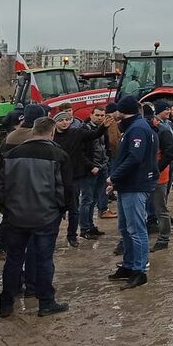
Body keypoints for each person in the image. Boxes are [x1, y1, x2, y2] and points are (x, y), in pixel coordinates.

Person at [0, 117, 69, 318]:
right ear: (52, 132)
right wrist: (61, 211)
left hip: (16, 217)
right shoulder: (58, 155)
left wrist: (8, 210)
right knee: (44, 260)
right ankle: (46, 302)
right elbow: (64, 189)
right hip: (46, 217)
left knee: (13, 259)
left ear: (33, 131)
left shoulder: (10, 155)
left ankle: (6, 304)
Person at [107, 96, 158, 289]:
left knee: (136, 229)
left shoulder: (137, 128)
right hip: (127, 185)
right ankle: (128, 265)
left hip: (135, 185)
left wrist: (113, 177)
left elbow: (134, 158)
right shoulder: (135, 126)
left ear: (122, 110)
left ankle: (139, 270)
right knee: (125, 228)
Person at [0, 102, 48, 261]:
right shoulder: (39, 139)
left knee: (7, 222)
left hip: (11, 190)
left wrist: (1, 194)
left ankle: (2, 249)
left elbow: (0, 169)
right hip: (34, 193)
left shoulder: (10, 138)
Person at [52, 110, 86, 247]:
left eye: (67, 120)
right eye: (61, 120)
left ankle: (72, 235)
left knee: (74, 208)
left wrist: (103, 128)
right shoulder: (52, 137)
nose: (65, 122)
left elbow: (92, 136)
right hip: (56, 178)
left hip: (73, 177)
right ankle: (52, 235)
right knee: (57, 209)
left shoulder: (75, 133)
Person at [150, 100, 173, 252]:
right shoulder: (153, 128)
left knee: (161, 207)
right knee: (151, 207)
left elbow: (169, 154)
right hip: (148, 176)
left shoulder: (163, 129)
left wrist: (156, 170)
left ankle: (164, 238)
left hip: (159, 176)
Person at [80, 106, 110, 238]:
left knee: (95, 199)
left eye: (102, 115)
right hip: (90, 170)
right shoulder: (84, 130)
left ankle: (91, 226)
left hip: (102, 167)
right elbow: (80, 153)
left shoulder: (104, 129)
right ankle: (84, 229)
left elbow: (105, 146)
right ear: (91, 115)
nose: (99, 118)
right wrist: (90, 166)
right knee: (87, 200)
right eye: (97, 115)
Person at [99, 102, 122, 219]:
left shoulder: (105, 120)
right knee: (107, 183)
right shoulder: (111, 121)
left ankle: (103, 208)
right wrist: (118, 153)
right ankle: (103, 209)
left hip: (106, 156)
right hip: (111, 156)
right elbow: (113, 141)